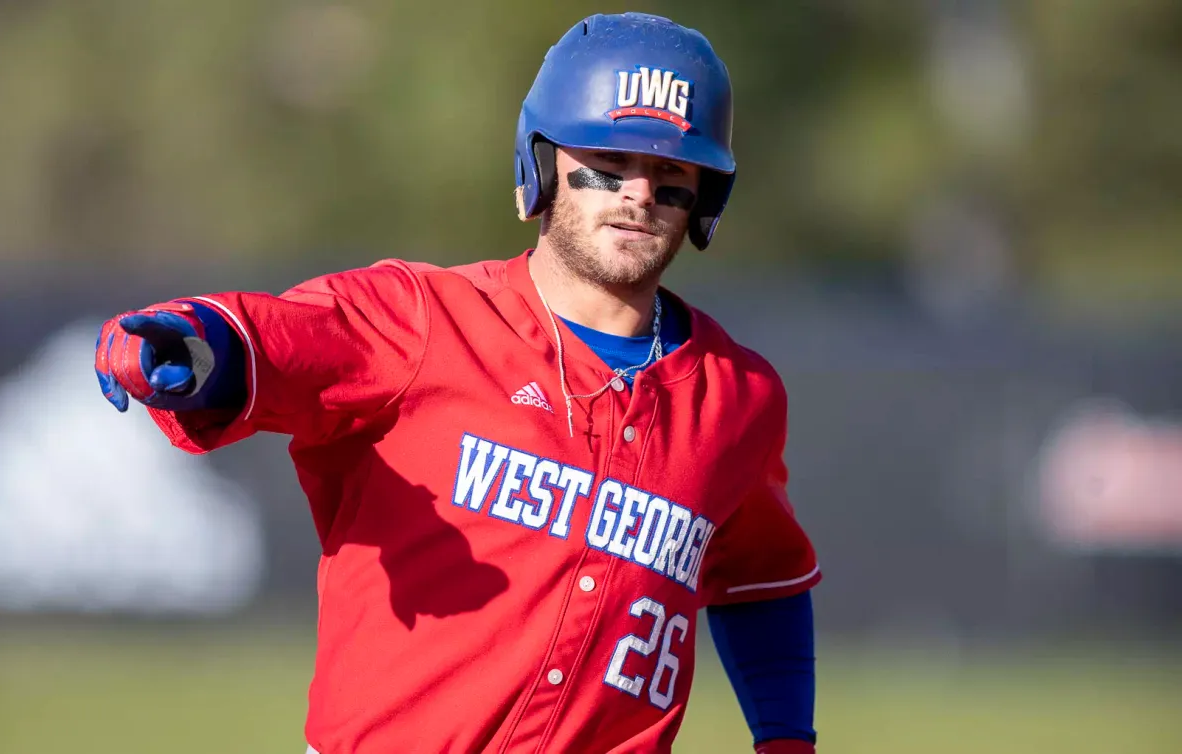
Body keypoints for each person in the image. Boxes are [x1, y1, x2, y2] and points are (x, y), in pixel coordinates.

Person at [94, 12, 821, 754]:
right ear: (542, 163)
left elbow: (763, 581)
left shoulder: (739, 400)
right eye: (608, 159)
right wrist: (193, 339)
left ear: (706, 196)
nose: (638, 193)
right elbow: (274, 341)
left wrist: (787, 738)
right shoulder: (423, 321)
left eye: (671, 175)